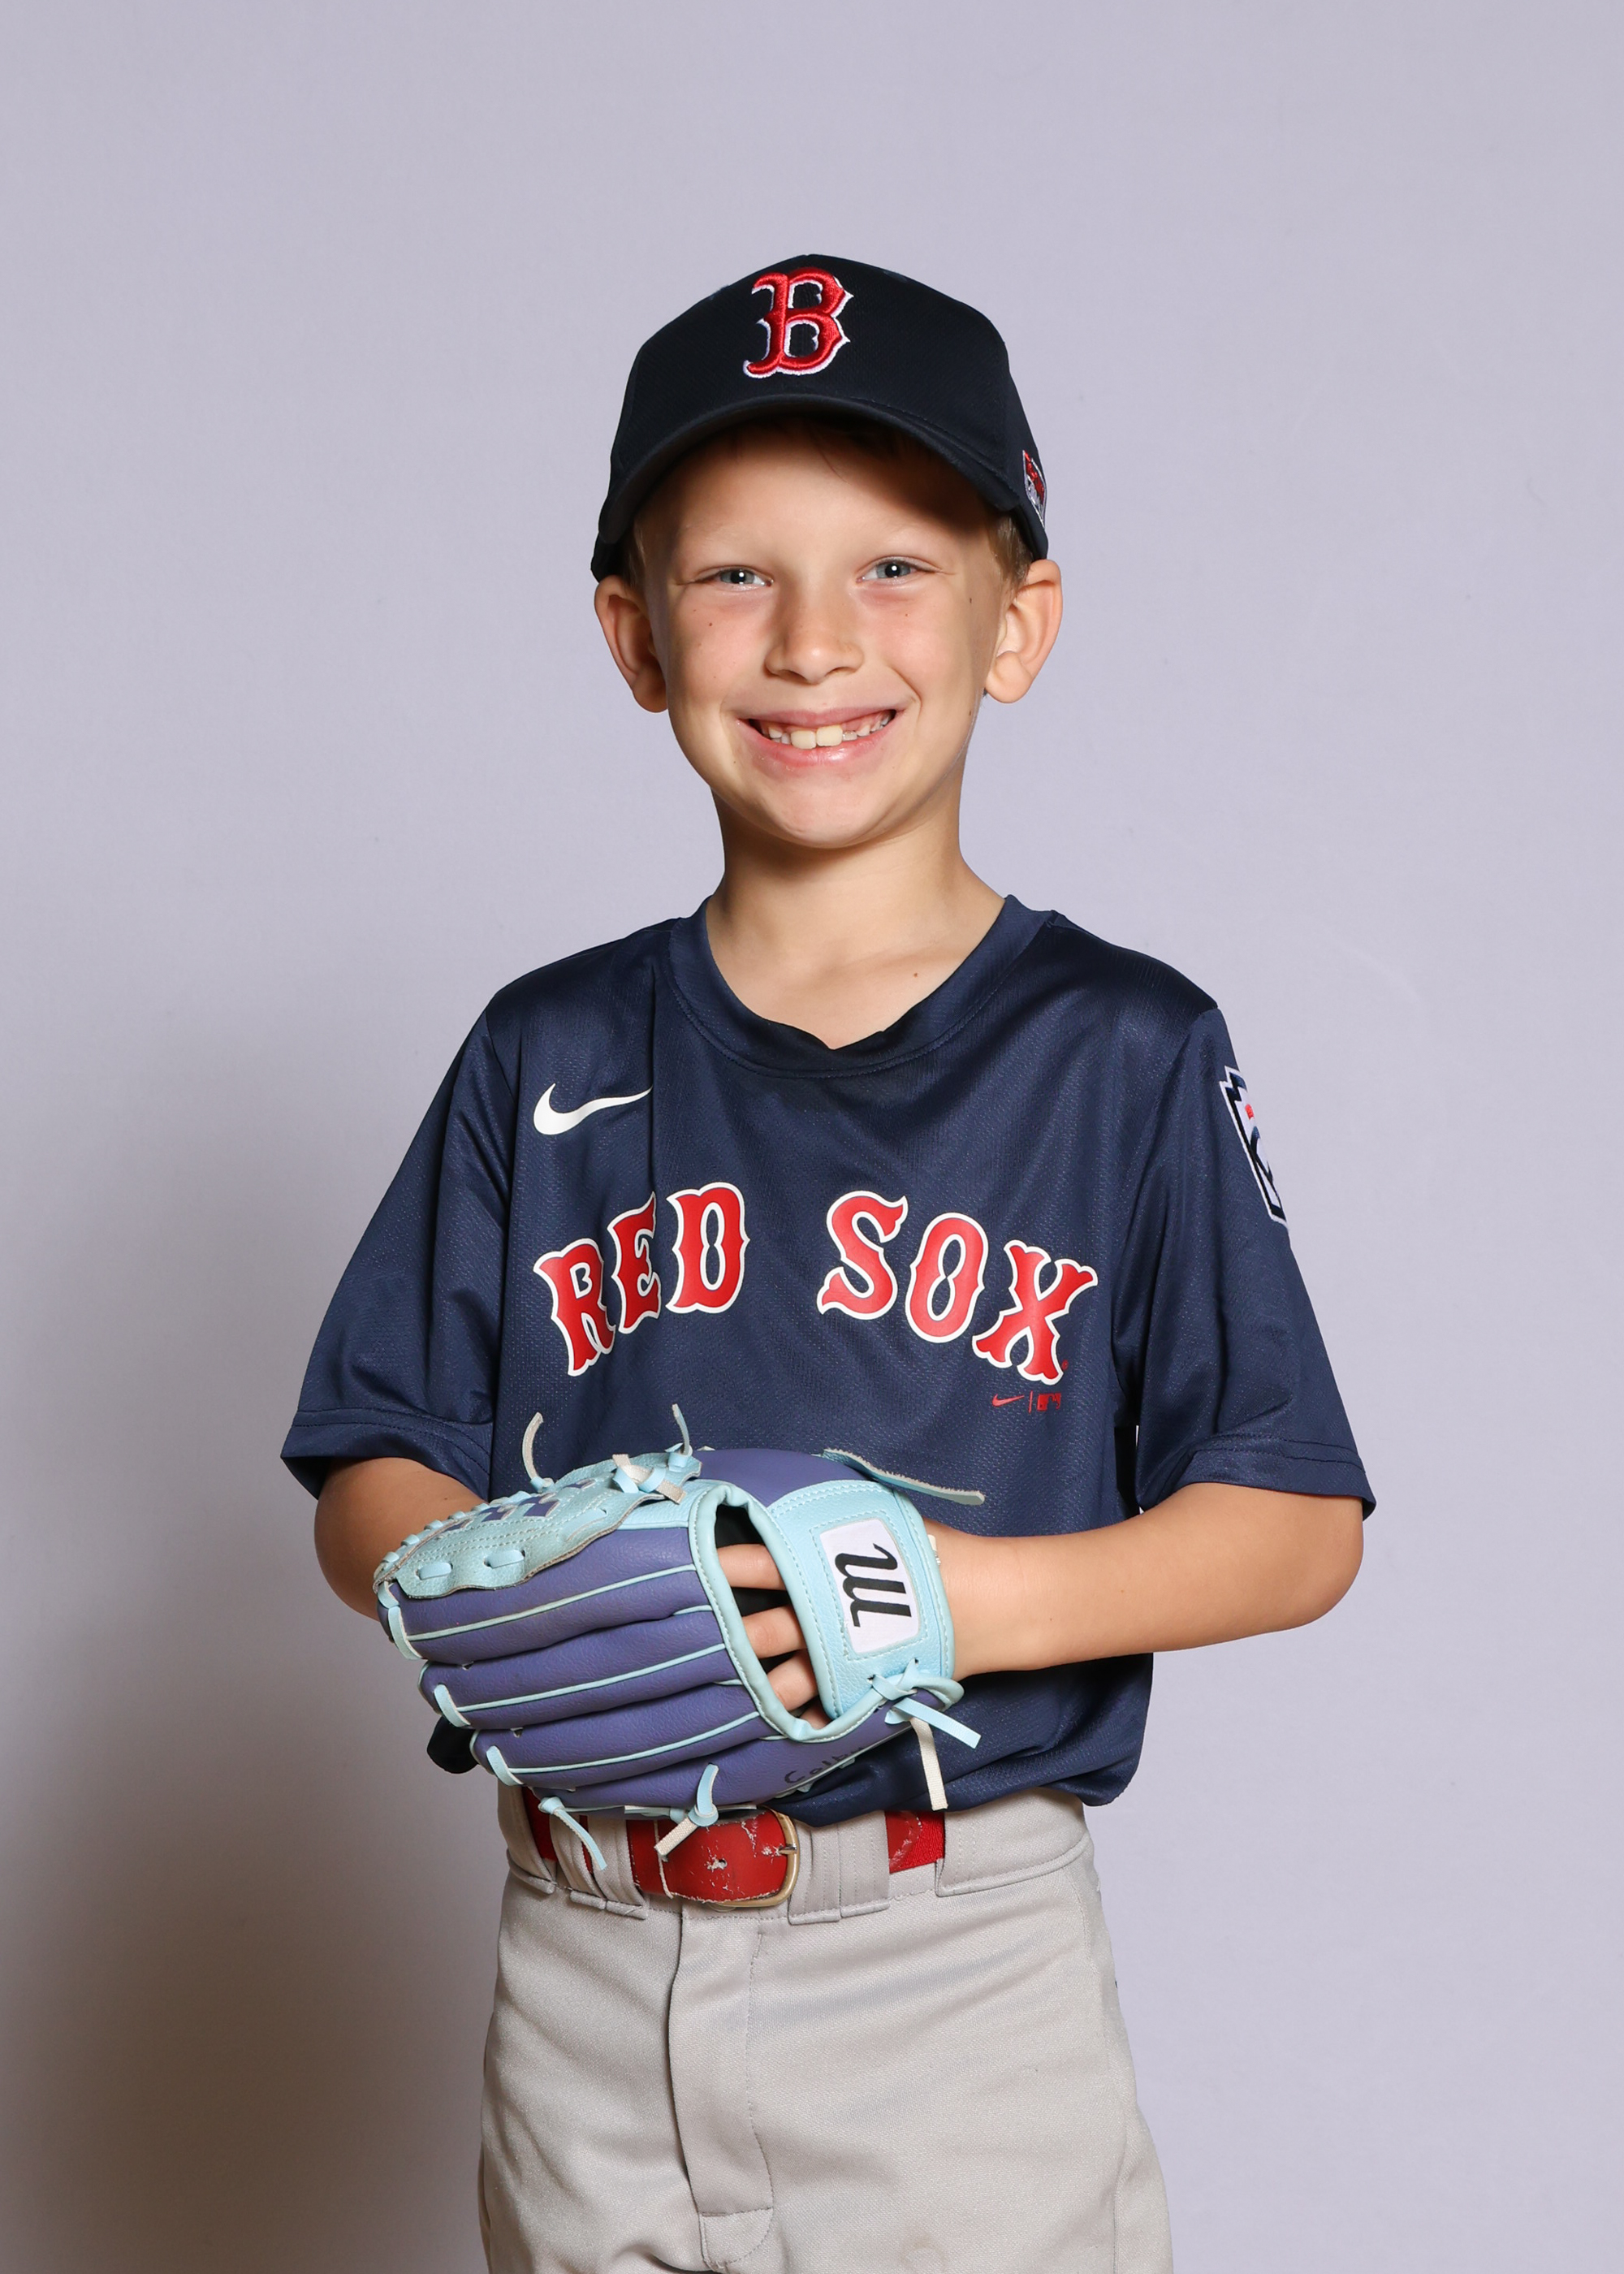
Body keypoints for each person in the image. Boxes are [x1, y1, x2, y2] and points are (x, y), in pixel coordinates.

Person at [285, 256, 1371, 2274]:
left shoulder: (1121, 1049)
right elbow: (371, 1461)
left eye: (892, 565)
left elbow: (1295, 1522)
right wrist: (492, 1579)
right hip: (588, 1952)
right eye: (732, 575)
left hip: (947, 1972)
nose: (810, 641)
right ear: (634, 634)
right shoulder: (545, 1048)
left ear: (1014, 618)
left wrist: (936, 1597)